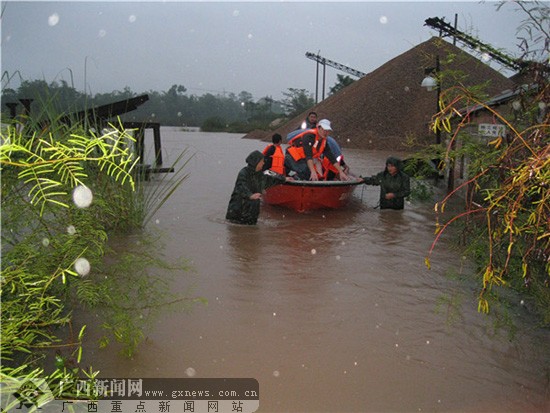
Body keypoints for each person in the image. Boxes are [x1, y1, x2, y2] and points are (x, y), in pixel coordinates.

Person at [226, 150, 288, 225]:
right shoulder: (243, 173)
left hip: (251, 215)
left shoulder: (260, 175)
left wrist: (284, 179)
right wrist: (250, 195)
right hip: (238, 213)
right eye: (262, 161)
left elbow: (270, 180)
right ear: (256, 162)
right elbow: (241, 186)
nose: (263, 163)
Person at [284, 119, 350, 181]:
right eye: (324, 130)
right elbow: (308, 155)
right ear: (318, 128)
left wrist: (341, 172)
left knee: (317, 175)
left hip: (303, 159)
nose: (326, 133)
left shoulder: (324, 142)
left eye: (328, 131)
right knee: (307, 171)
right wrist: (312, 171)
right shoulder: (309, 136)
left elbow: (331, 157)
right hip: (292, 157)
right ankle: (293, 179)